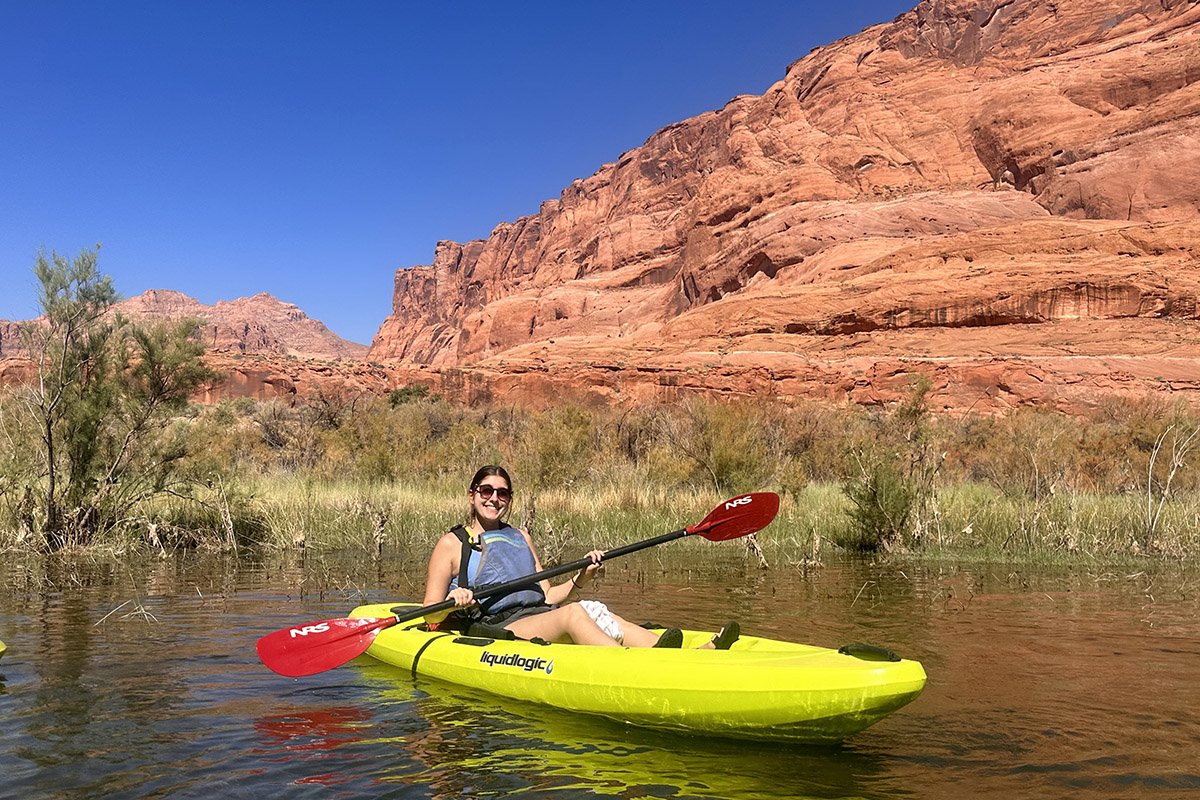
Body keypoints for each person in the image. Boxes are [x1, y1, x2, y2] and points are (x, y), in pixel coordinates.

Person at [422, 465, 740, 650]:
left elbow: (547, 596)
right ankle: (633, 668)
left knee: (591, 608)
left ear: (509, 498)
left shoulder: (521, 537)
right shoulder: (452, 543)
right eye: (486, 490)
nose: (494, 498)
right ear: (472, 494)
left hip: (537, 616)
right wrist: (455, 597)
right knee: (574, 614)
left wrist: (581, 577)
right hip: (497, 626)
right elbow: (429, 616)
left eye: (502, 493)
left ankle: (682, 654)